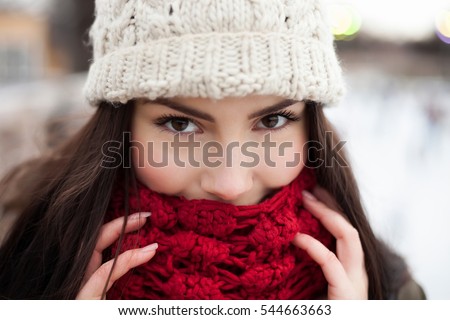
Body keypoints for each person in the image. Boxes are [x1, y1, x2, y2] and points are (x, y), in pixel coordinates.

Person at [0, 0, 425, 300]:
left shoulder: (388, 289)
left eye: (272, 120)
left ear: (310, 125)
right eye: (181, 124)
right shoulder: (27, 271)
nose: (230, 183)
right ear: (121, 127)